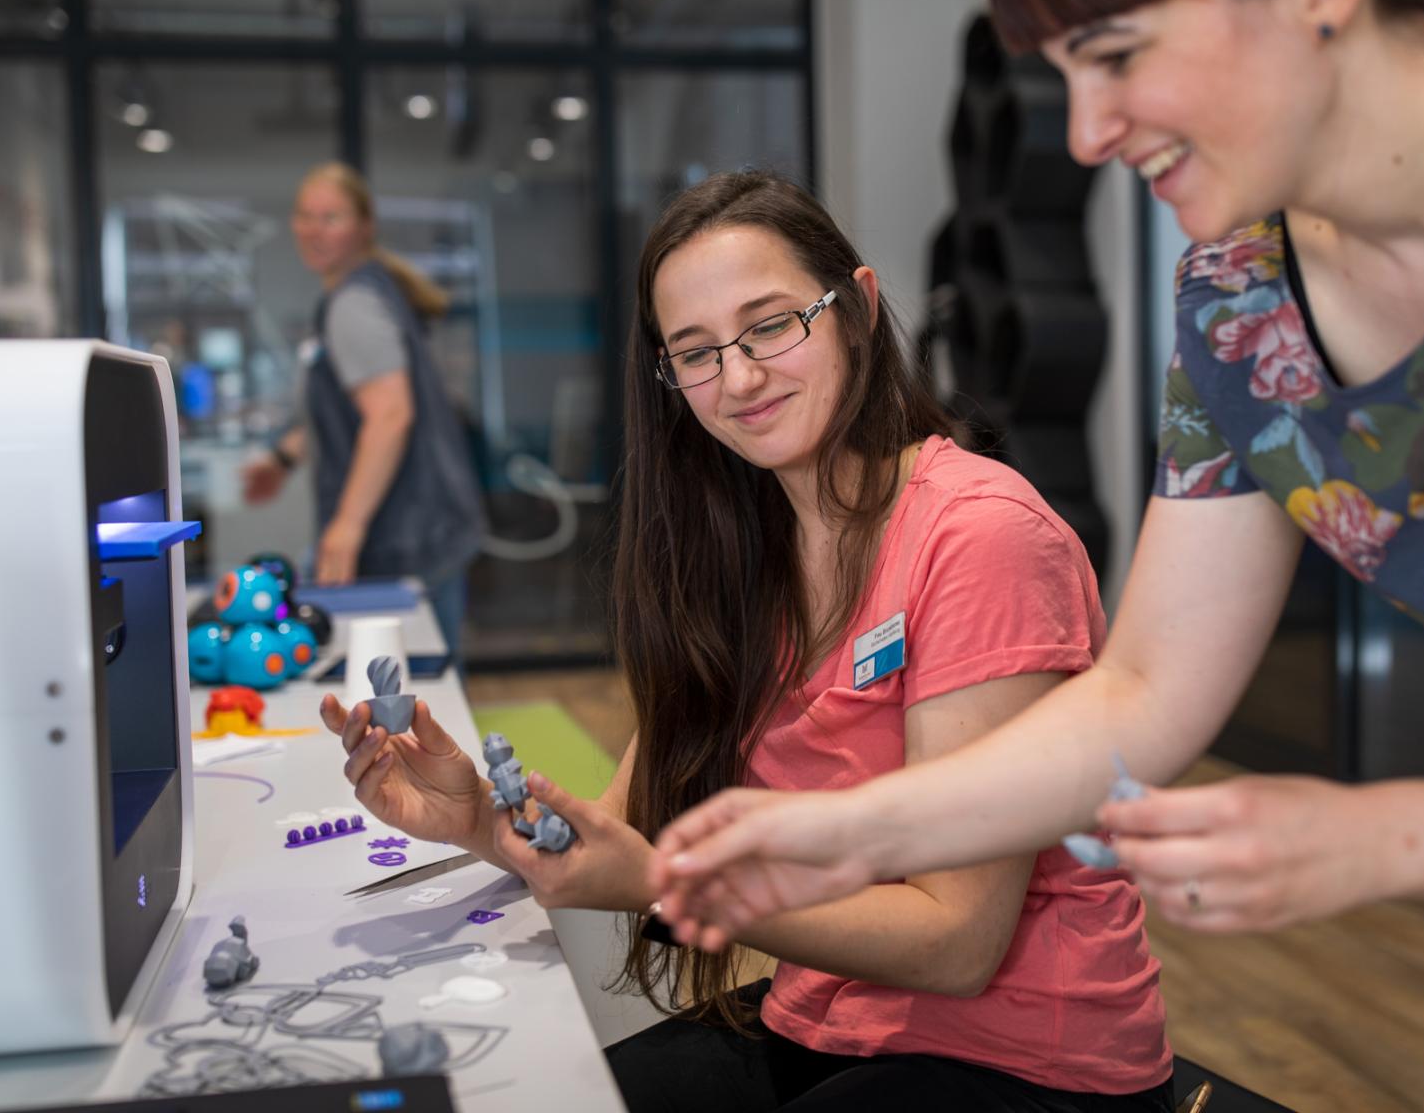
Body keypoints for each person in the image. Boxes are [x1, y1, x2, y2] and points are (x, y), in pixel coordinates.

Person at [647, 0, 1424, 1108]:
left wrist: (1377, 839)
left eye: (1116, 53)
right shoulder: (1238, 295)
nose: (1087, 132)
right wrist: (860, 835)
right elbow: (1147, 689)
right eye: (1064, 75)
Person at [318, 171, 1175, 1111]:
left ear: (858, 306)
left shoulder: (980, 535)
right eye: (696, 352)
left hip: (1022, 1060)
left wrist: (654, 877)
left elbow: (957, 942)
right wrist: (475, 818)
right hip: (831, 1019)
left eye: (771, 325)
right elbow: (628, 831)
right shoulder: (739, 556)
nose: (738, 377)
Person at [242, 162, 483, 656]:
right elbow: (340, 416)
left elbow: (390, 414)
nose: (314, 229)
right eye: (305, 216)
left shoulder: (354, 304)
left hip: (406, 536)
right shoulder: (357, 296)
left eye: (331, 217)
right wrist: (281, 460)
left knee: (411, 700)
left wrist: (347, 523)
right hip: (423, 530)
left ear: (364, 227)